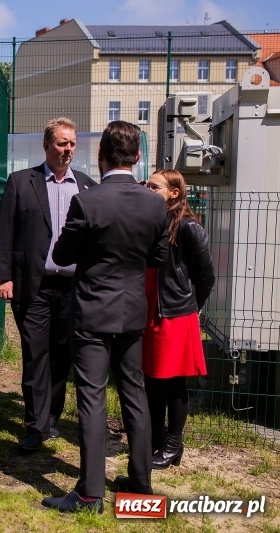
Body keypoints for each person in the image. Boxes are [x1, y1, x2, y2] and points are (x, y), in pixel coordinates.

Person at [43, 121, 168, 513]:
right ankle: (141, 487)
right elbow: (159, 257)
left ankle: (91, 493)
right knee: (135, 395)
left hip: (93, 311)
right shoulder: (154, 203)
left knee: (92, 398)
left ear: (101, 157)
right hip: (133, 311)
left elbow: (62, 255)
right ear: (137, 157)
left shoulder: (88, 200)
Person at [0, 117, 96, 452]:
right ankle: (35, 427)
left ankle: (51, 418)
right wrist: (3, 276)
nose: (68, 150)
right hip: (33, 286)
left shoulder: (86, 185)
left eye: (72, 144)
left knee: (62, 357)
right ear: (46, 145)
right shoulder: (22, 182)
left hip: (73, 289)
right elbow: (4, 232)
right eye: (62, 143)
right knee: (36, 354)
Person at [142, 169, 214, 469]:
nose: (148, 189)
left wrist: (188, 309)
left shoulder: (187, 227)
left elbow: (205, 276)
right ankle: (155, 441)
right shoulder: (153, 222)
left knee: (173, 384)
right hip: (150, 310)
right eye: (147, 184)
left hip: (174, 315)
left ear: (174, 193)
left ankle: (173, 445)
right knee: (152, 381)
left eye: (154, 186)